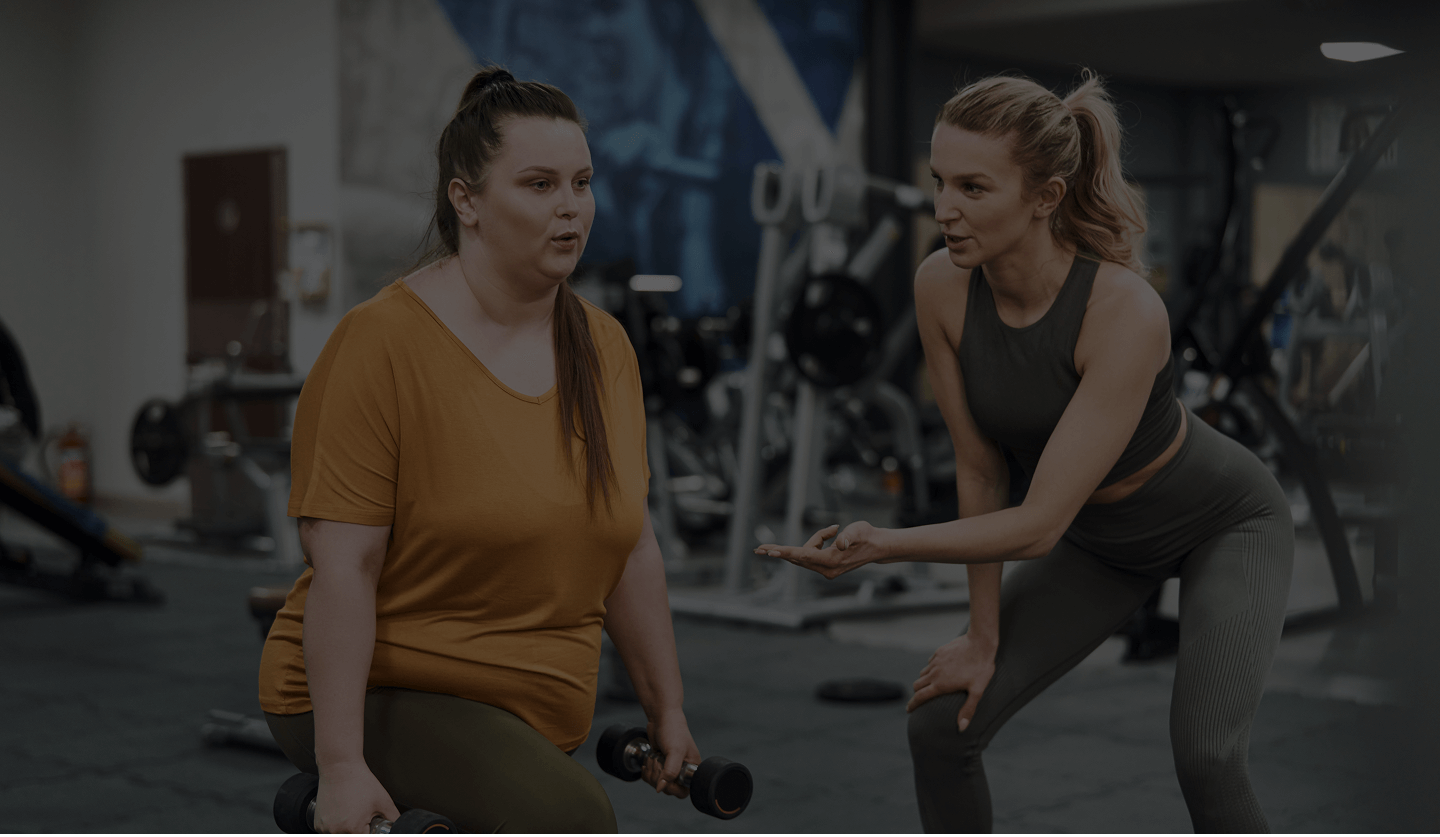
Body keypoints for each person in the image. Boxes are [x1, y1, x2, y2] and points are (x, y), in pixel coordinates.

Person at [757, 71, 1294, 833]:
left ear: (1044, 197)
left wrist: (883, 544)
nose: (946, 209)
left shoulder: (1123, 310)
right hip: (1104, 543)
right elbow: (980, 467)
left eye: (974, 187)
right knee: (942, 727)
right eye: (940, 181)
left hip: (1222, 521)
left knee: (1207, 755)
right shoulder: (941, 286)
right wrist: (981, 637)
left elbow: (1039, 523)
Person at [259, 67, 700, 834]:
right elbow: (345, 565)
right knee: (569, 819)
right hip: (383, 688)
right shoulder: (382, 342)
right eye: (538, 185)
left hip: (529, 706)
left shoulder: (604, 348)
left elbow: (632, 549)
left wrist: (669, 708)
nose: (570, 208)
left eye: (582, 182)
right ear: (466, 200)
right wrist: (340, 764)